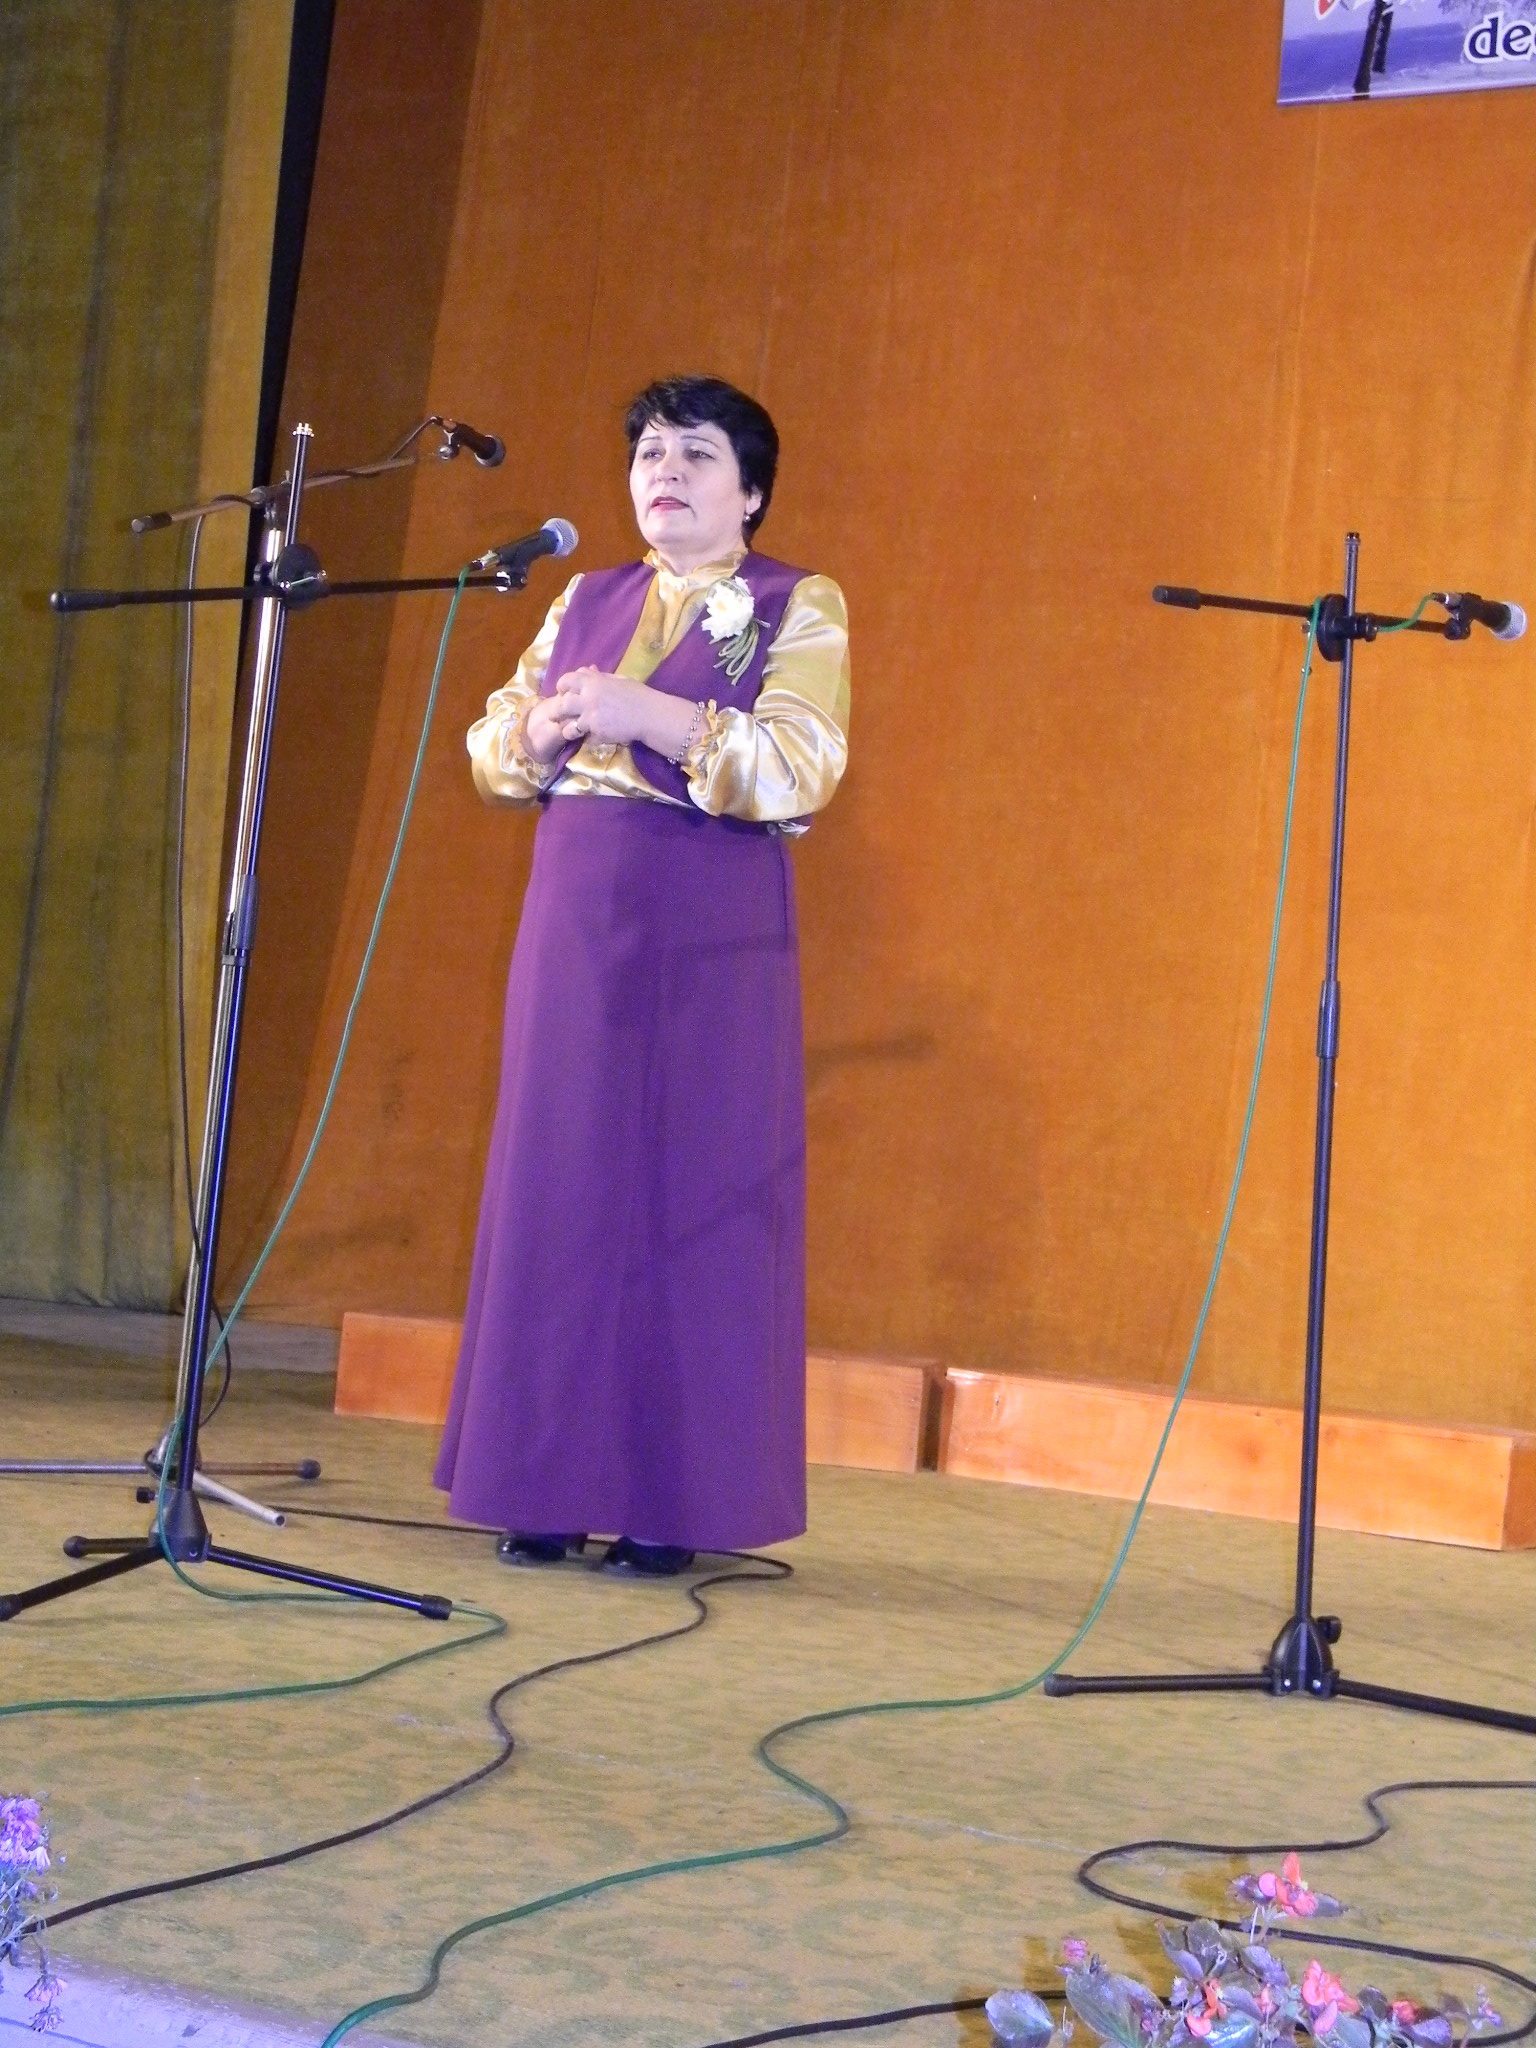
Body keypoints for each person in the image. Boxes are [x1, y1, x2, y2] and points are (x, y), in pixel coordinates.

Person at [432, 375, 851, 1575]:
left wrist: (648, 714)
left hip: (710, 915)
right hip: (576, 906)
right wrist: (539, 733)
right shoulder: (585, 595)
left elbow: (800, 768)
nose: (664, 470)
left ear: (751, 491)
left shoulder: (798, 600)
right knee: (558, 1176)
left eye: (696, 453)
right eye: (650, 453)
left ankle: (673, 1499)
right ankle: (542, 1480)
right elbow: (492, 748)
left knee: (692, 1186)